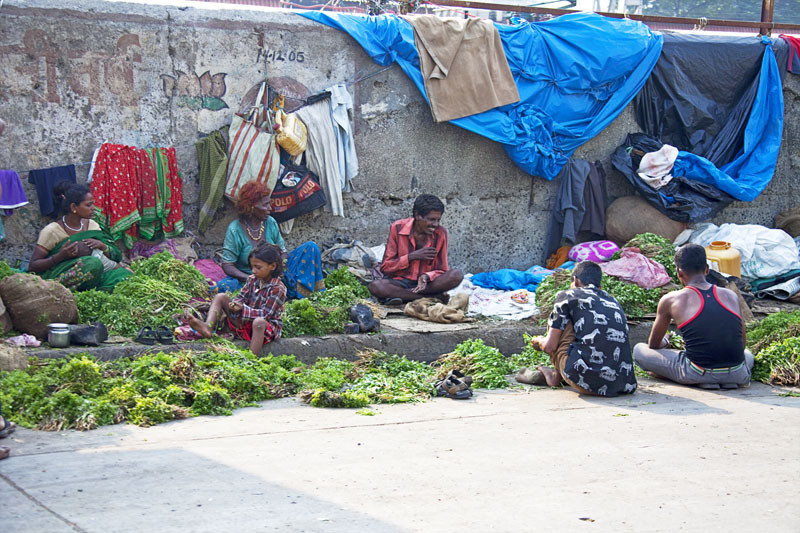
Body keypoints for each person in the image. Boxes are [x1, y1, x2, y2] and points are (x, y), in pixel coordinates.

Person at [633, 243, 753, 390]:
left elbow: (653, 345)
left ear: (679, 272)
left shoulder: (671, 300)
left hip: (696, 372)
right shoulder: (731, 296)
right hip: (738, 373)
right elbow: (742, 343)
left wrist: (666, 341)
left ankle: (703, 380)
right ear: (707, 269)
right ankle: (725, 379)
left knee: (639, 350)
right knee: (748, 354)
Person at [524, 261, 637, 396]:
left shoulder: (566, 296)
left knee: (562, 323)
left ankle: (555, 376)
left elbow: (550, 347)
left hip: (586, 382)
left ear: (576, 281)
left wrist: (539, 341)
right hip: (623, 384)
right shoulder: (613, 301)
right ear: (599, 286)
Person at [214, 181, 324, 300]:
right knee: (224, 286)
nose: (269, 208)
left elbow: (283, 252)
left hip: (275, 272)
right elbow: (227, 265)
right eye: (265, 205)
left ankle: (304, 296)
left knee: (310, 247)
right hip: (250, 277)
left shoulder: (270, 222)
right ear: (251, 207)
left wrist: (279, 268)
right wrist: (251, 278)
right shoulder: (235, 230)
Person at [27, 183, 132, 291]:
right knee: (93, 263)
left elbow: (116, 255)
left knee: (124, 275)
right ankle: (64, 292)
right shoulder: (52, 231)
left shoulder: (92, 225)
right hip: (60, 276)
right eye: (88, 205)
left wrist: (103, 246)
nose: (93, 208)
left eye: (93, 204)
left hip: (96, 274)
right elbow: (33, 266)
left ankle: (94, 290)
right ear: (73, 207)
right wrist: (60, 257)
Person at [188, 244, 287, 354]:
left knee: (259, 322)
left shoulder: (277, 288)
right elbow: (241, 297)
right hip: (245, 321)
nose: (253, 271)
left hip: (264, 328)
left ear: (272, 266)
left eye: (258, 267)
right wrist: (235, 304)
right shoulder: (252, 279)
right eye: (252, 267)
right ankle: (207, 327)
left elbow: (266, 314)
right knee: (221, 297)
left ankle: (251, 358)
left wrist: (242, 309)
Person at [368, 194, 463, 304]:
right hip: (400, 281)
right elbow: (385, 267)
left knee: (456, 275)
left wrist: (427, 276)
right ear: (418, 216)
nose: (435, 224)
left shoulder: (441, 233)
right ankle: (427, 298)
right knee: (376, 286)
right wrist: (411, 257)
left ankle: (406, 296)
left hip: (427, 285)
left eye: (438, 220)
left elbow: (443, 270)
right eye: (431, 219)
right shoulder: (397, 227)